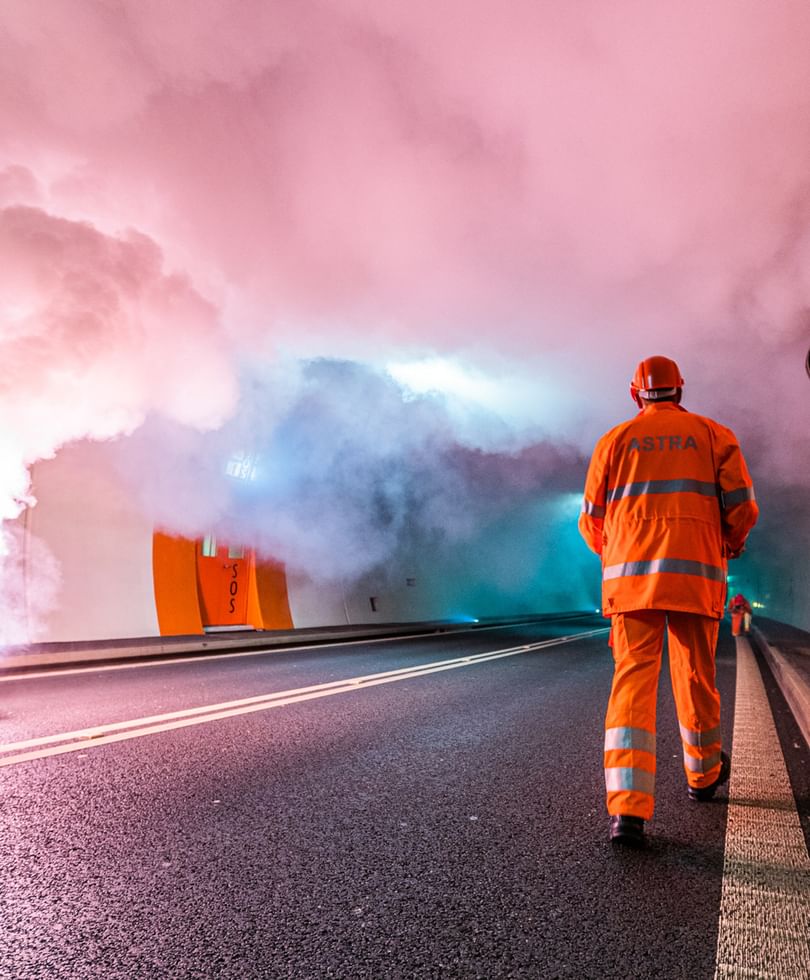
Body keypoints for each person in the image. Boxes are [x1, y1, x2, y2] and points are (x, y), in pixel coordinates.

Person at [578, 356, 758, 848]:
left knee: (633, 682)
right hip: (695, 580)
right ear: (679, 390)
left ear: (635, 394)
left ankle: (628, 812)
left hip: (632, 585)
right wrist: (728, 543)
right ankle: (702, 777)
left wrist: (618, 552)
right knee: (697, 675)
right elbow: (742, 507)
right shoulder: (713, 435)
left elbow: (591, 520)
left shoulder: (613, 442)